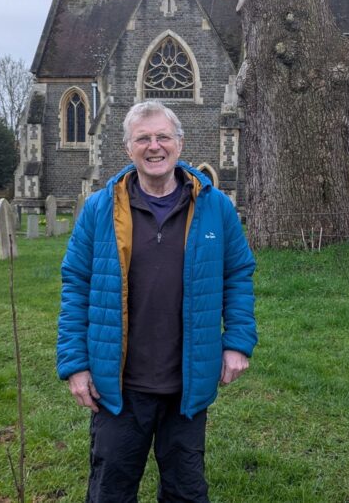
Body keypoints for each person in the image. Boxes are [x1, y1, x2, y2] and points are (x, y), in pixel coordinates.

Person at [57, 100, 257, 502]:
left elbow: (237, 273)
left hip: (186, 382)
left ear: (180, 144)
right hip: (118, 385)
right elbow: (75, 284)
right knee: (110, 491)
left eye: (163, 136)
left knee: (185, 491)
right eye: (143, 138)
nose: (154, 146)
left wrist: (237, 341)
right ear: (128, 148)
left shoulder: (214, 205)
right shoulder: (100, 208)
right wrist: (75, 364)